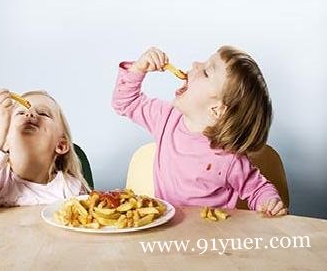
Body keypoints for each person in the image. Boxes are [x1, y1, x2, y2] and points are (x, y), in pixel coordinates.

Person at [112, 46, 287, 217]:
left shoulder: (229, 158)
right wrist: (138, 69)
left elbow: (257, 189)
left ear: (216, 109)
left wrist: (270, 203)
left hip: (210, 239)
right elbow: (126, 103)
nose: (195, 64)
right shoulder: (166, 118)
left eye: (206, 72)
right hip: (167, 235)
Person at [0, 89, 90, 219]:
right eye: (20, 113)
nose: (29, 114)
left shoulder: (71, 188)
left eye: (43, 113)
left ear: (61, 145)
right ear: (4, 140)